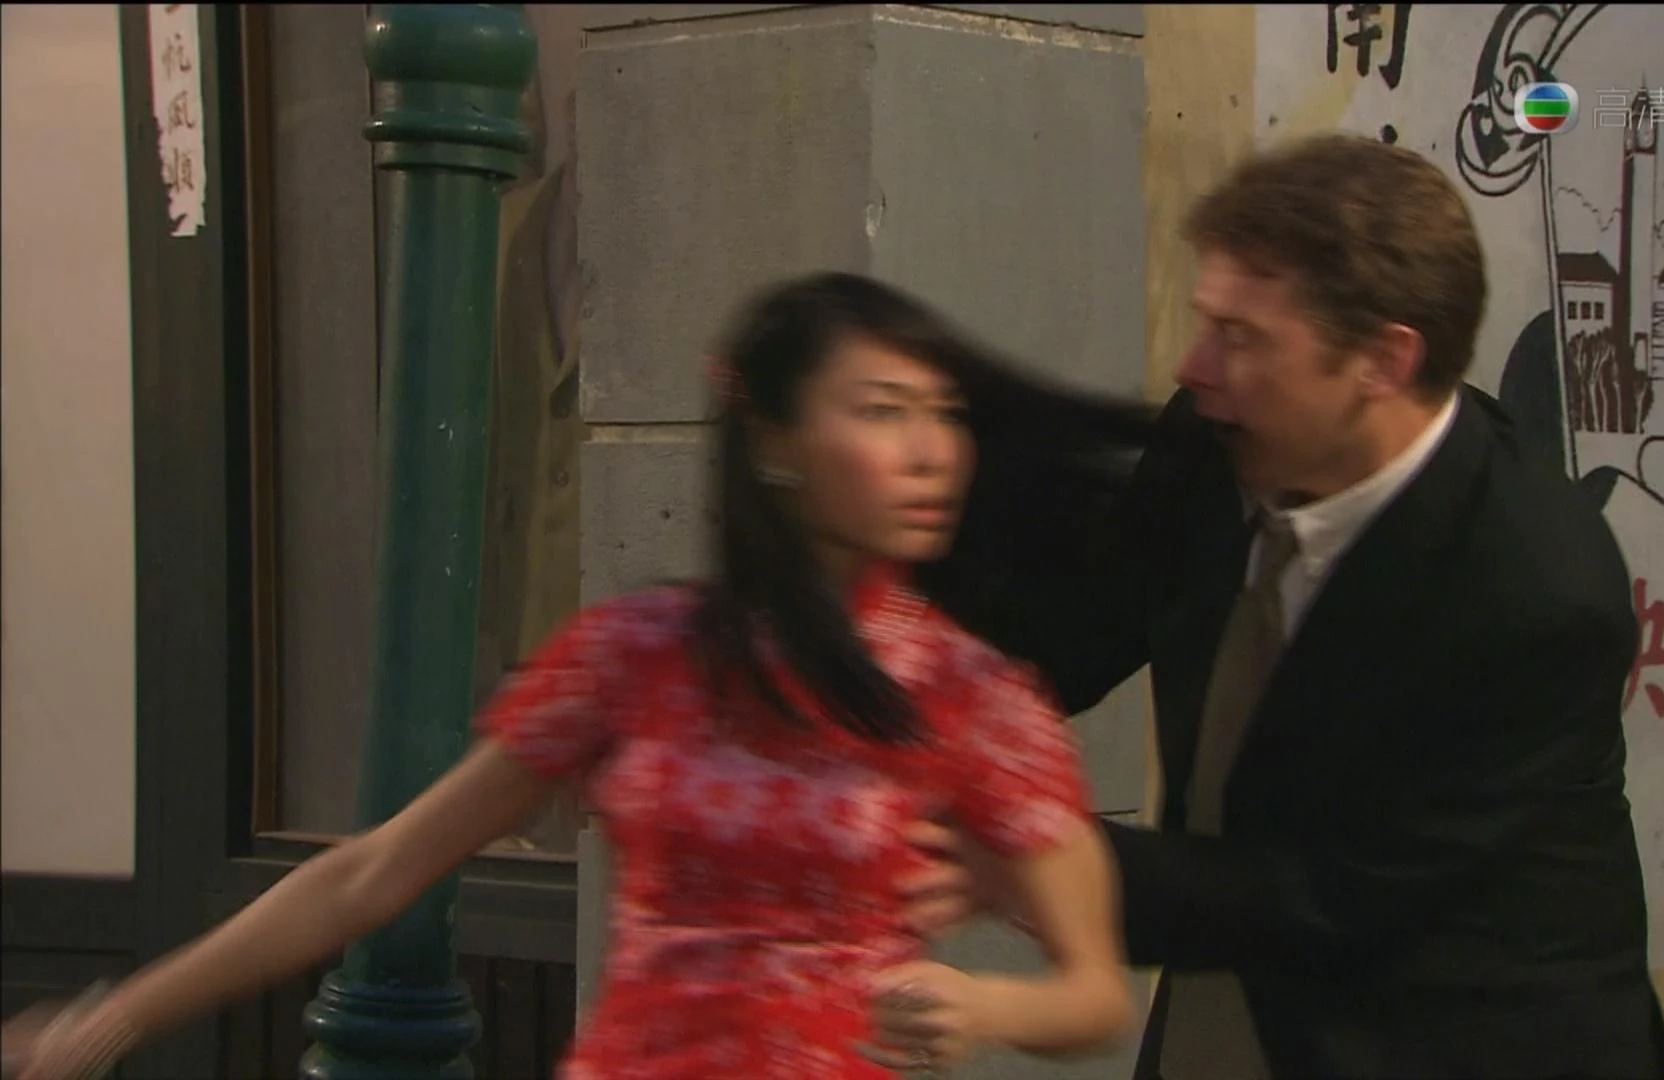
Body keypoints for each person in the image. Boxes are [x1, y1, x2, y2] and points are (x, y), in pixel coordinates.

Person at [1, 272, 1156, 1080]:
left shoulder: (972, 694)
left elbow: (1096, 991)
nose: (931, 451)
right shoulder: (636, 651)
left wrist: (985, 1004)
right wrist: (110, 1023)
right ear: (771, 441)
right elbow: (375, 872)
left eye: (943, 413)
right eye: (883, 412)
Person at [906, 132, 1664, 1079]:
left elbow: (1332, 895)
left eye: (1242, 337)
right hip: (1232, 1005)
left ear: (1383, 361)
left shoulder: (1535, 592)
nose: (1194, 365)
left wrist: (1028, 856)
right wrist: (867, 665)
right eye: (1208, 323)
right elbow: (1070, 636)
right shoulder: (1220, 436)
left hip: (1450, 1036)